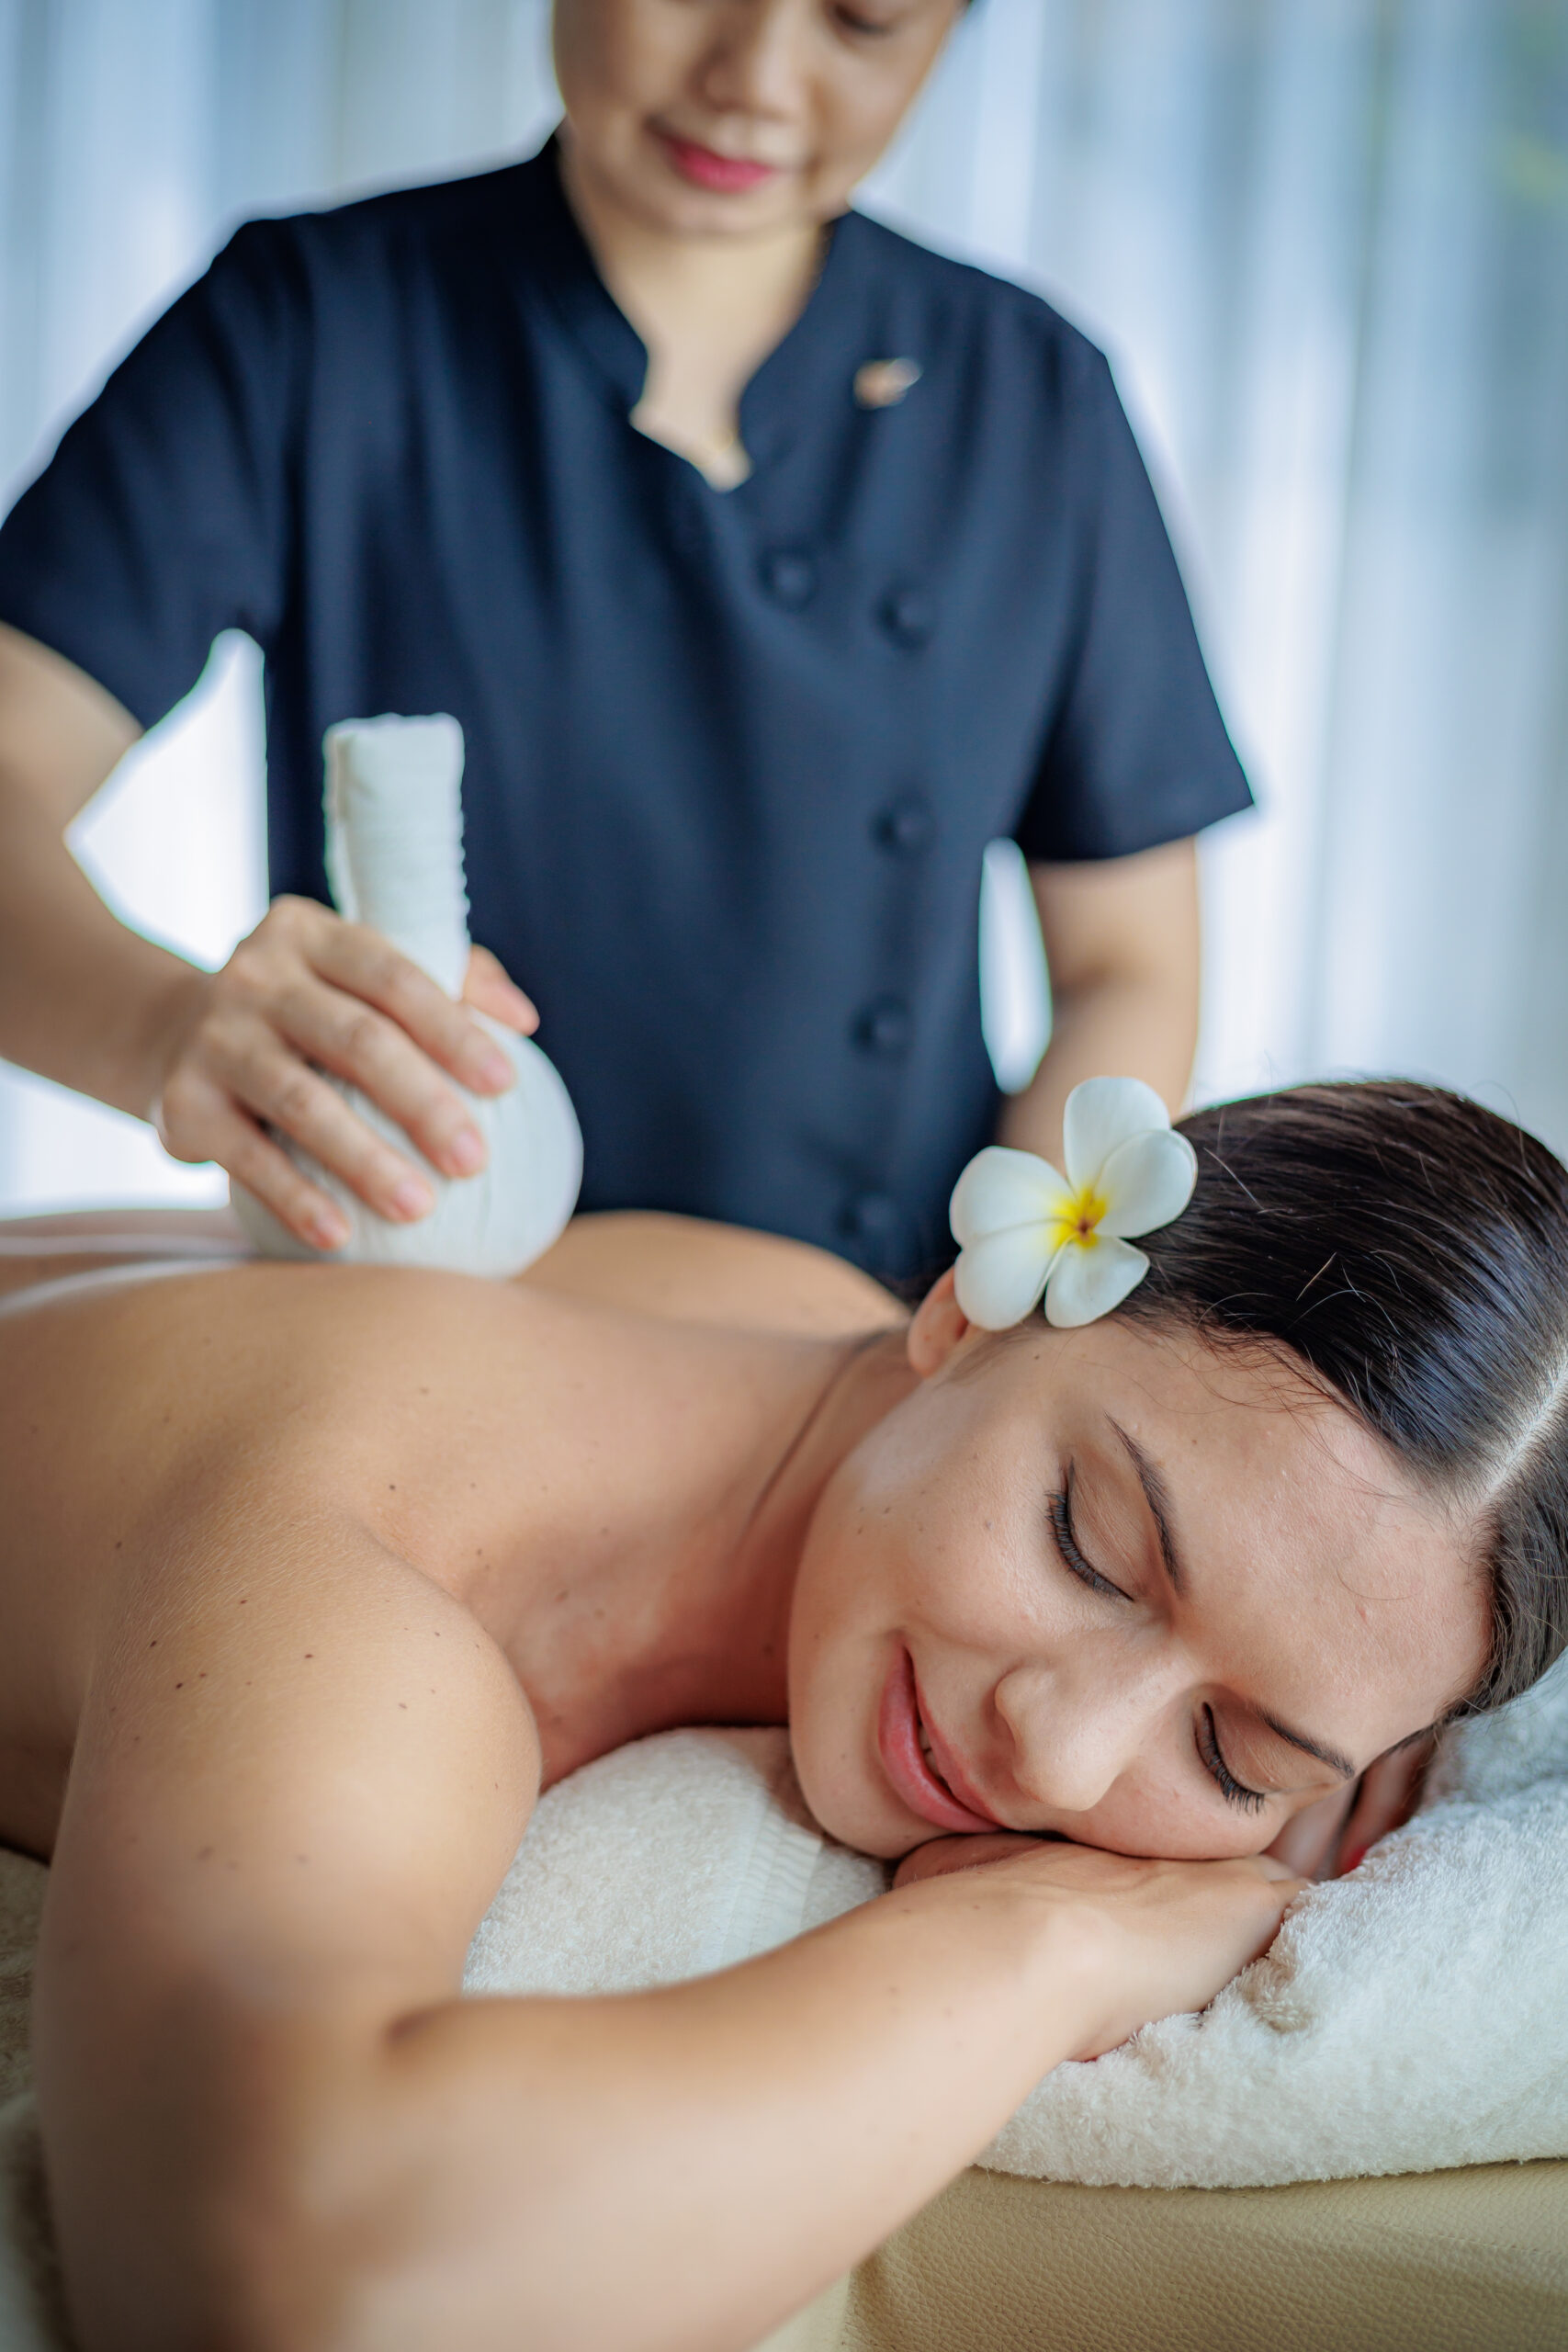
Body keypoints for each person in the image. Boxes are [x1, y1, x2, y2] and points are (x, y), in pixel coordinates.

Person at [4, 1077, 1567, 2350]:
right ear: (965, 1311)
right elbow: (280, 2275)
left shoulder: (818, 1334)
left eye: (1234, 1753)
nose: (1064, 1753)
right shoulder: (382, 1586)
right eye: (1087, 1548)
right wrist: (1041, 1943)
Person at [0, 0, 1247, 1284]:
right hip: (414, 1330)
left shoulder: (1033, 400)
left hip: (878, 1339)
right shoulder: (309, 323)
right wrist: (169, 1033)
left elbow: (1126, 967)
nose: (755, 80)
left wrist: (1004, 1315)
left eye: (863, 18)